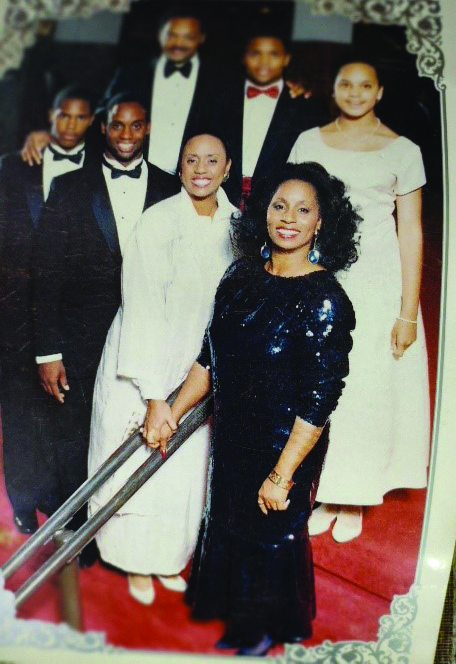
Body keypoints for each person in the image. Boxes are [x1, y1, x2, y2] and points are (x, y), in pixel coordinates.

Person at [148, 162, 359, 655]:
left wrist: (283, 475)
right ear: (263, 211)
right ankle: (237, 615)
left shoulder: (325, 299)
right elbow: (209, 357)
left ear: (321, 222)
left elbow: (319, 400)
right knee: (230, 520)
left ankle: (263, 628)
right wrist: (172, 412)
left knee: (269, 532)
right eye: (279, 206)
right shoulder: (239, 276)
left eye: (303, 210)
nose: (288, 218)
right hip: (233, 434)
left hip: (285, 443)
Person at [87, 132, 236, 604]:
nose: (201, 169)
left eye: (211, 160)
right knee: (137, 457)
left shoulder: (239, 226)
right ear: (180, 166)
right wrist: (154, 395)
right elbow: (142, 304)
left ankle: (167, 559)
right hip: (146, 360)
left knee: (182, 470)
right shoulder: (158, 220)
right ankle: (132, 562)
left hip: (199, 367)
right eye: (191, 160)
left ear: (228, 168)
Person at [31, 93, 178, 563]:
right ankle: (79, 531)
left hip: (149, 335)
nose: (126, 135)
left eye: (136, 126)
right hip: (81, 338)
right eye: (117, 125)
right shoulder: (70, 187)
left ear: (148, 128)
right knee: (75, 432)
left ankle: (124, 531)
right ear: (103, 128)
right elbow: (45, 273)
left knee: (132, 429)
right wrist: (48, 351)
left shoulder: (172, 186)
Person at [289, 59, 430, 542]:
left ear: (379, 91)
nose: (354, 92)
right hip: (319, 272)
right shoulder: (308, 142)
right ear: (333, 89)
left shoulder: (403, 150)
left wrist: (407, 312)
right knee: (315, 380)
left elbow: (411, 231)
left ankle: (353, 497)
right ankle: (323, 490)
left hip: (376, 280)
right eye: (345, 84)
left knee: (364, 388)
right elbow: (293, 207)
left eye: (365, 85)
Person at [0, 85, 95, 533]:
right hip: (15, 312)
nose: (71, 125)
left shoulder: (98, 170)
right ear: (51, 116)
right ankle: (23, 498)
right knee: (19, 409)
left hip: (68, 313)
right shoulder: (11, 166)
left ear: (92, 122)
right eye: (64, 116)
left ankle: (59, 499)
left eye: (80, 117)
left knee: (63, 411)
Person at [20, 8, 213, 174]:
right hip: (138, 177)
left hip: (194, 181)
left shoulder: (218, 83)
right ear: (159, 35)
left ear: (201, 38)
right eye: (171, 35)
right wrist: (55, 135)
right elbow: (100, 117)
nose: (178, 43)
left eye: (188, 37)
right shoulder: (131, 74)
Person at [213, 29, 329, 206]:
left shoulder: (305, 105)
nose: (264, 61)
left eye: (273, 54)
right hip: (221, 200)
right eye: (255, 53)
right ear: (244, 57)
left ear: (286, 59)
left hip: (277, 203)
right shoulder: (222, 98)